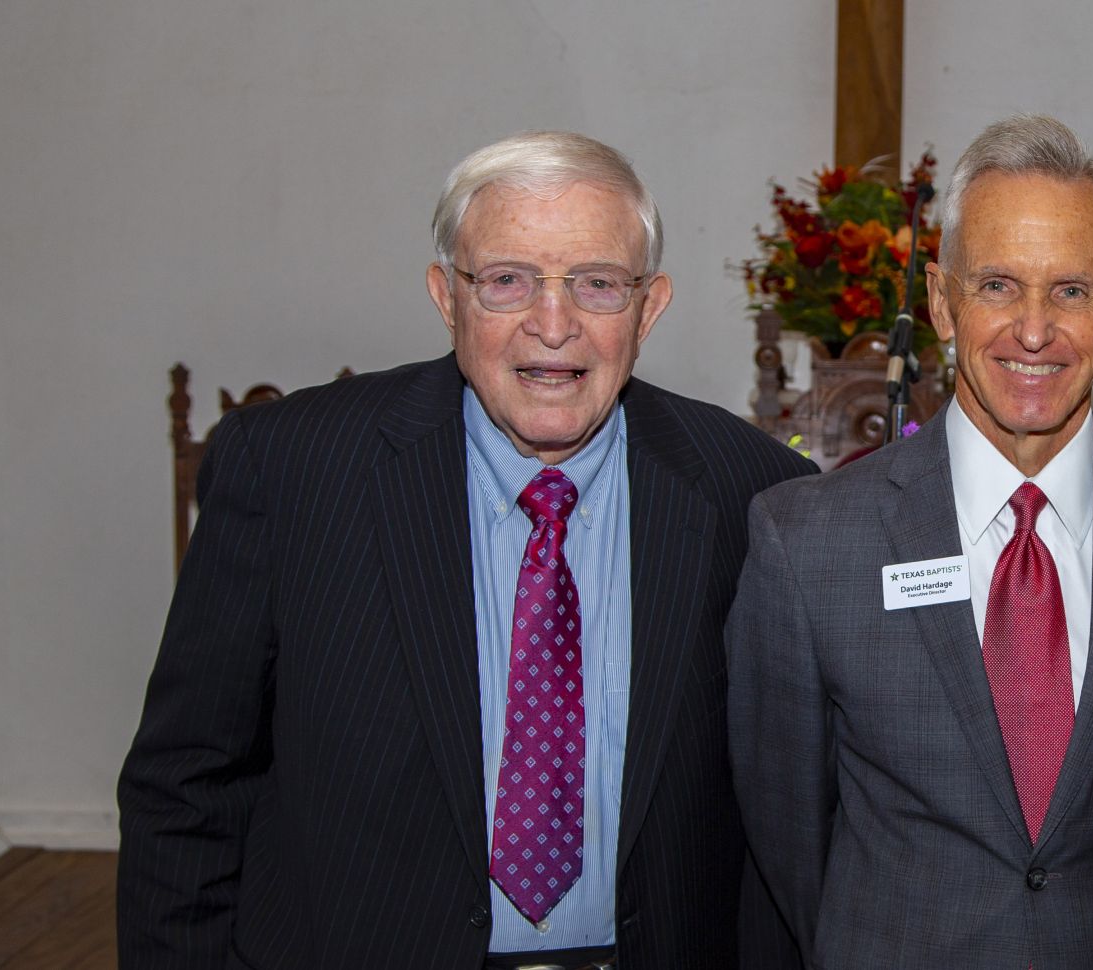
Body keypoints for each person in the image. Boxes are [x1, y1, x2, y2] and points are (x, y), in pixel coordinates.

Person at [117, 130, 816, 970]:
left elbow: (794, 815)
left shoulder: (756, 494)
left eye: (596, 283)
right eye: (507, 280)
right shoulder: (291, 470)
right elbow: (187, 785)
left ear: (649, 306)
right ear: (447, 297)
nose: (551, 325)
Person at [725, 114, 1093, 968]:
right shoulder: (807, 544)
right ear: (941, 302)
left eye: (1071, 291)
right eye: (996, 285)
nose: (1033, 330)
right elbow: (789, 842)